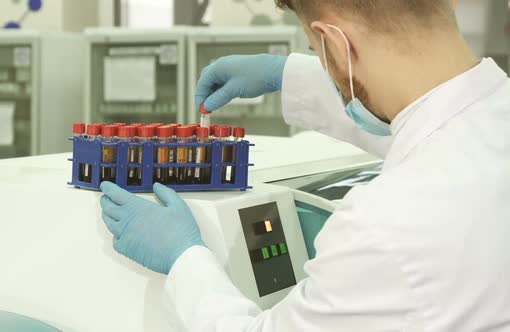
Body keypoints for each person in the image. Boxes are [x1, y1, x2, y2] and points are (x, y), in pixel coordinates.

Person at [99, 0, 510, 330]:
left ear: (334, 44)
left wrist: (184, 258)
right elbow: (425, 129)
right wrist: (286, 75)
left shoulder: (385, 228)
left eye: (318, 53)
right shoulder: (491, 119)